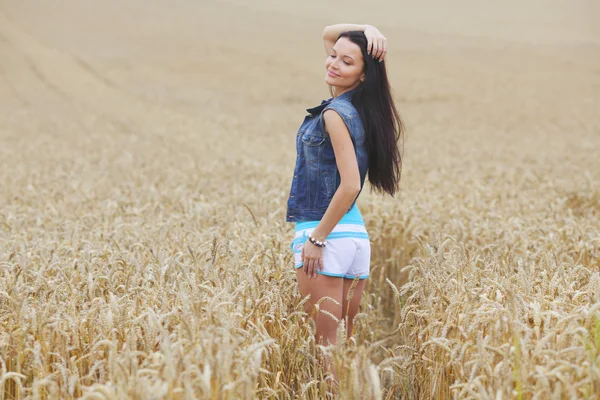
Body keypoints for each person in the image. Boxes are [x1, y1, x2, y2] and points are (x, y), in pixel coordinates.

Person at [285, 23, 405, 384]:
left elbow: (351, 183)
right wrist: (366, 29)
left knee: (326, 350)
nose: (333, 63)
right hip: (355, 238)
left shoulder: (335, 114)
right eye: (333, 56)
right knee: (346, 345)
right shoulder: (362, 110)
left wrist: (317, 238)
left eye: (346, 61)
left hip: (325, 235)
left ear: (364, 74)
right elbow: (328, 33)